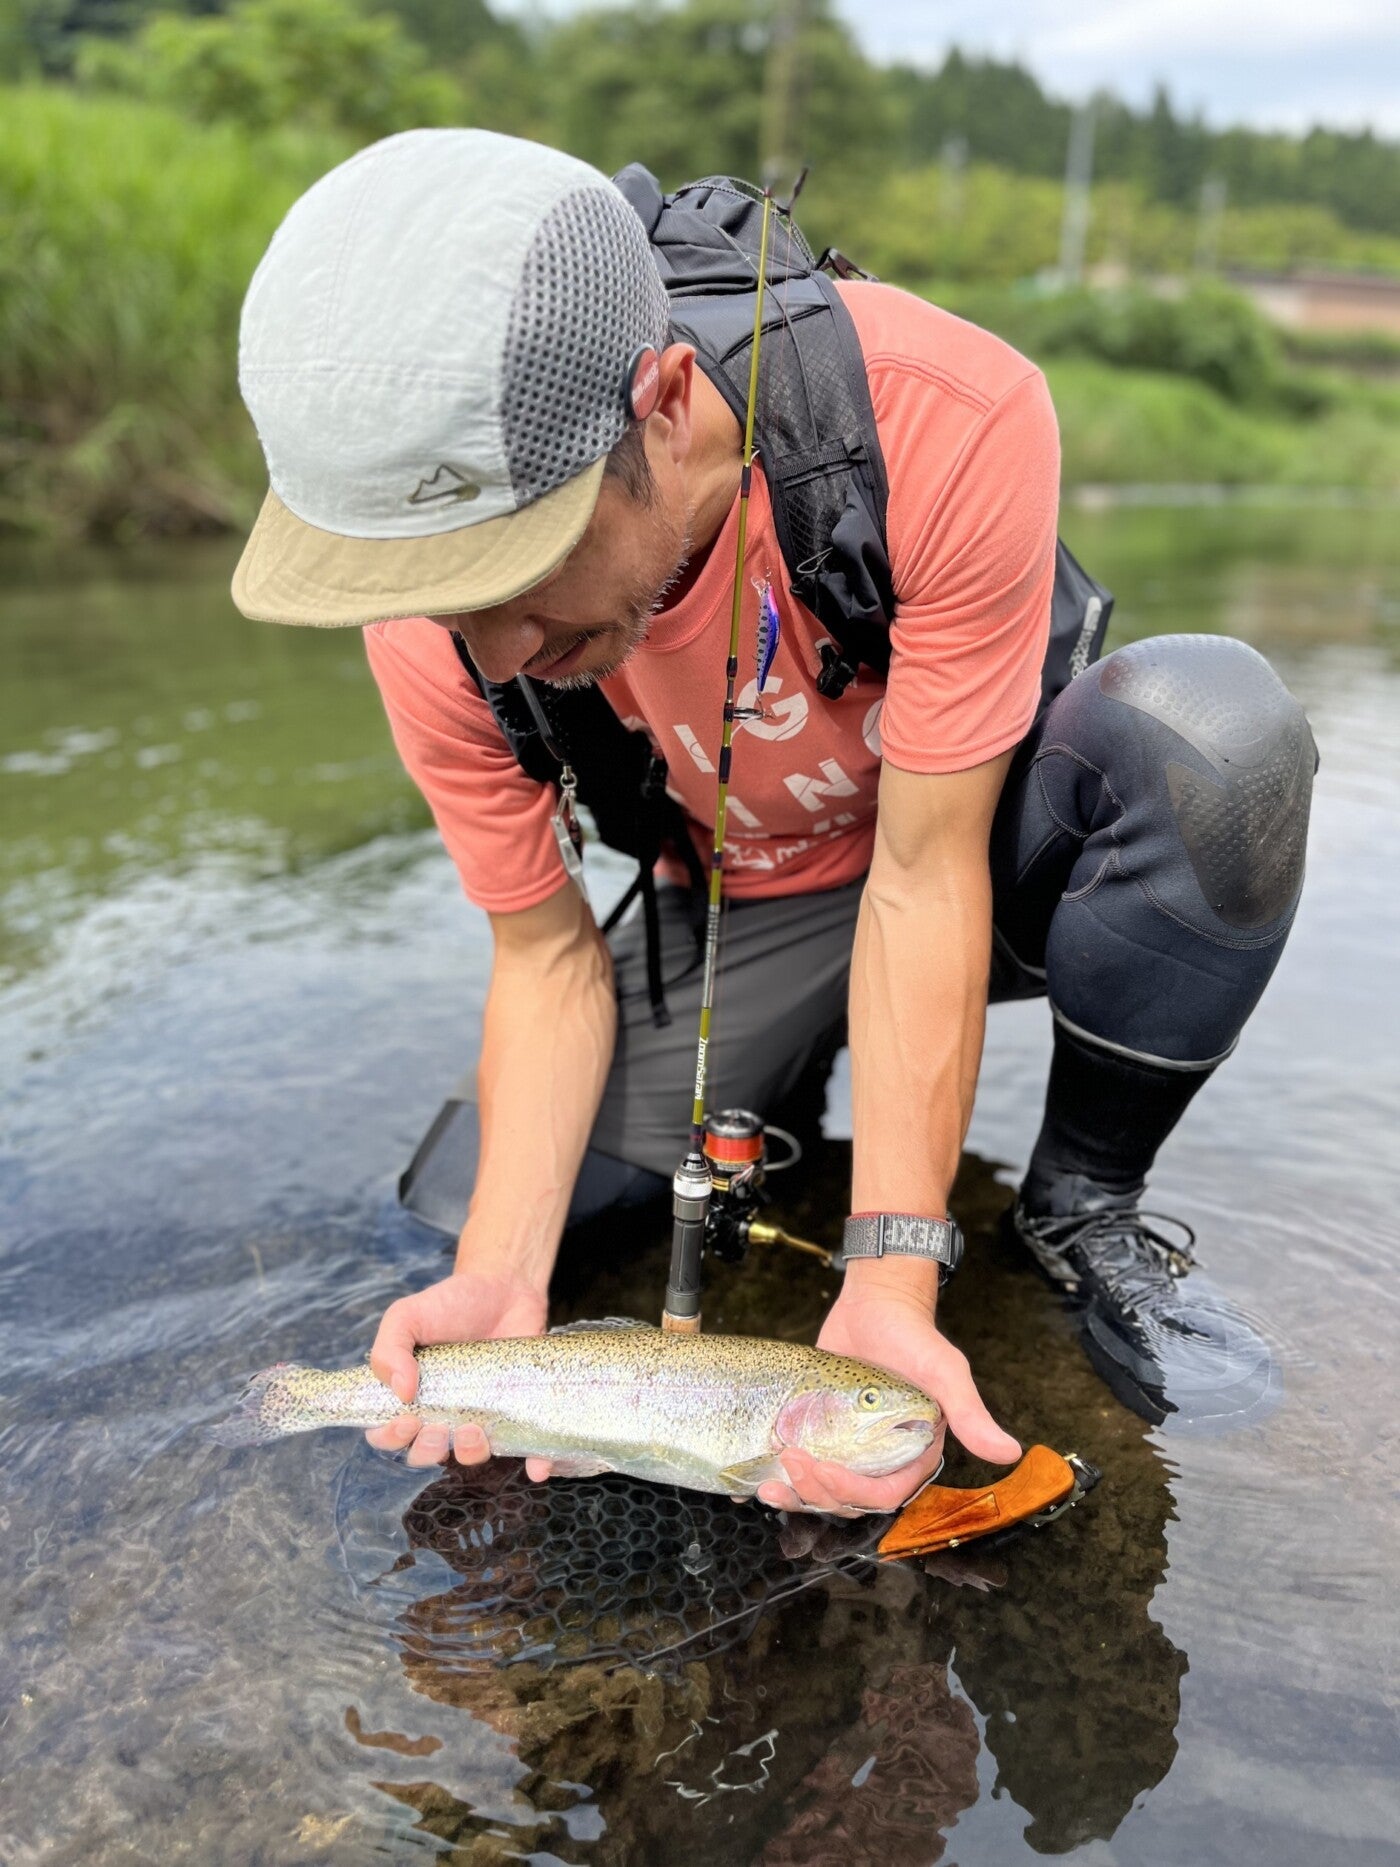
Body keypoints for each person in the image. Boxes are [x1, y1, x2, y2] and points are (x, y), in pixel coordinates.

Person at [230, 128, 1315, 1513]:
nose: (491, 650)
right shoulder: (439, 637)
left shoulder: (943, 415)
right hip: (746, 903)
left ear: (669, 403)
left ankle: (1081, 1202)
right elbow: (544, 960)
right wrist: (500, 1278)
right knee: (470, 1205)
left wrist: (893, 1275)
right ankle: (773, 1096)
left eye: (519, 571)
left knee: (1213, 733)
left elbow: (926, 883)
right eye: (449, 597)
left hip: (977, 857)